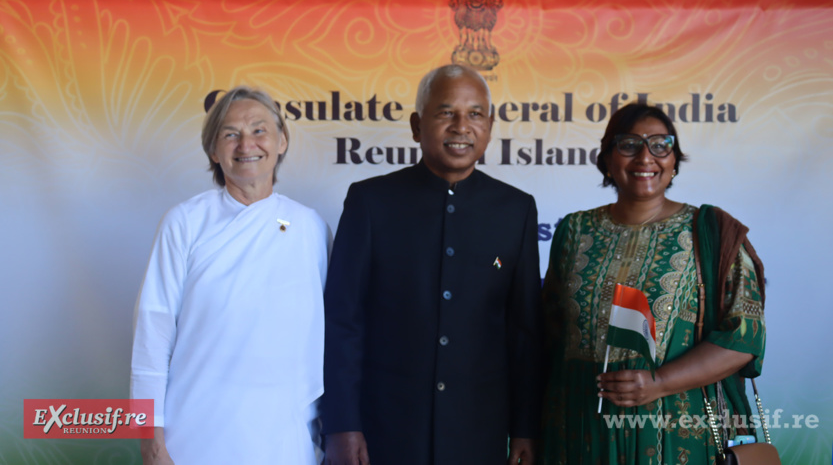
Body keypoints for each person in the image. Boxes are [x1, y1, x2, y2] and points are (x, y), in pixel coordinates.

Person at [321, 64, 543, 465]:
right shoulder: (370, 203)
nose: (461, 126)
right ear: (416, 125)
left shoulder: (516, 210)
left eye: (475, 114)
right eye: (446, 113)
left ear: (490, 127)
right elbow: (342, 321)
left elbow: (523, 332)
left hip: (478, 433)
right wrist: (340, 424)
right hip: (384, 430)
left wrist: (525, 428)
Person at [539, 103, 767, 464]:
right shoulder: (573, 231)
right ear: (608, 159)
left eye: (661, 144)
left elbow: (743, 338)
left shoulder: (710, 232)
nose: (646, 156)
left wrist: (658, 382)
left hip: (675, 435)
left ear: (674, 160)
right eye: (629, 144)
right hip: (576, 430)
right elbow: (548, 333)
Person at [130, 86, 330, 464]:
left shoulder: (311, 228)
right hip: (193, 436)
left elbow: (330, 339)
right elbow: (152, 335)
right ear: (213, 150)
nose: (246, 145)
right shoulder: (185, 223)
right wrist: (150, 441)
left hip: (286, 439)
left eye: (259, 130)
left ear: (282, 141)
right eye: (230, 134)